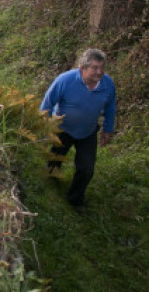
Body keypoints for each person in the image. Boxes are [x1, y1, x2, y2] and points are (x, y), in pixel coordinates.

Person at [40, 48, 116, 210]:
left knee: (86, 169)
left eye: (102, 67)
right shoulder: (65, 80)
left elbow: (110, 108)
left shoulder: (108, 85)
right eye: (94, 68)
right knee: (54, 159)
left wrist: (107, 130)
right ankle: (50, 182)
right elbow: (48, 102)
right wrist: (43, 125)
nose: (99, 72)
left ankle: (75, 199)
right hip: (63, 128)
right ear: (82, 68)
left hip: (88, 132)